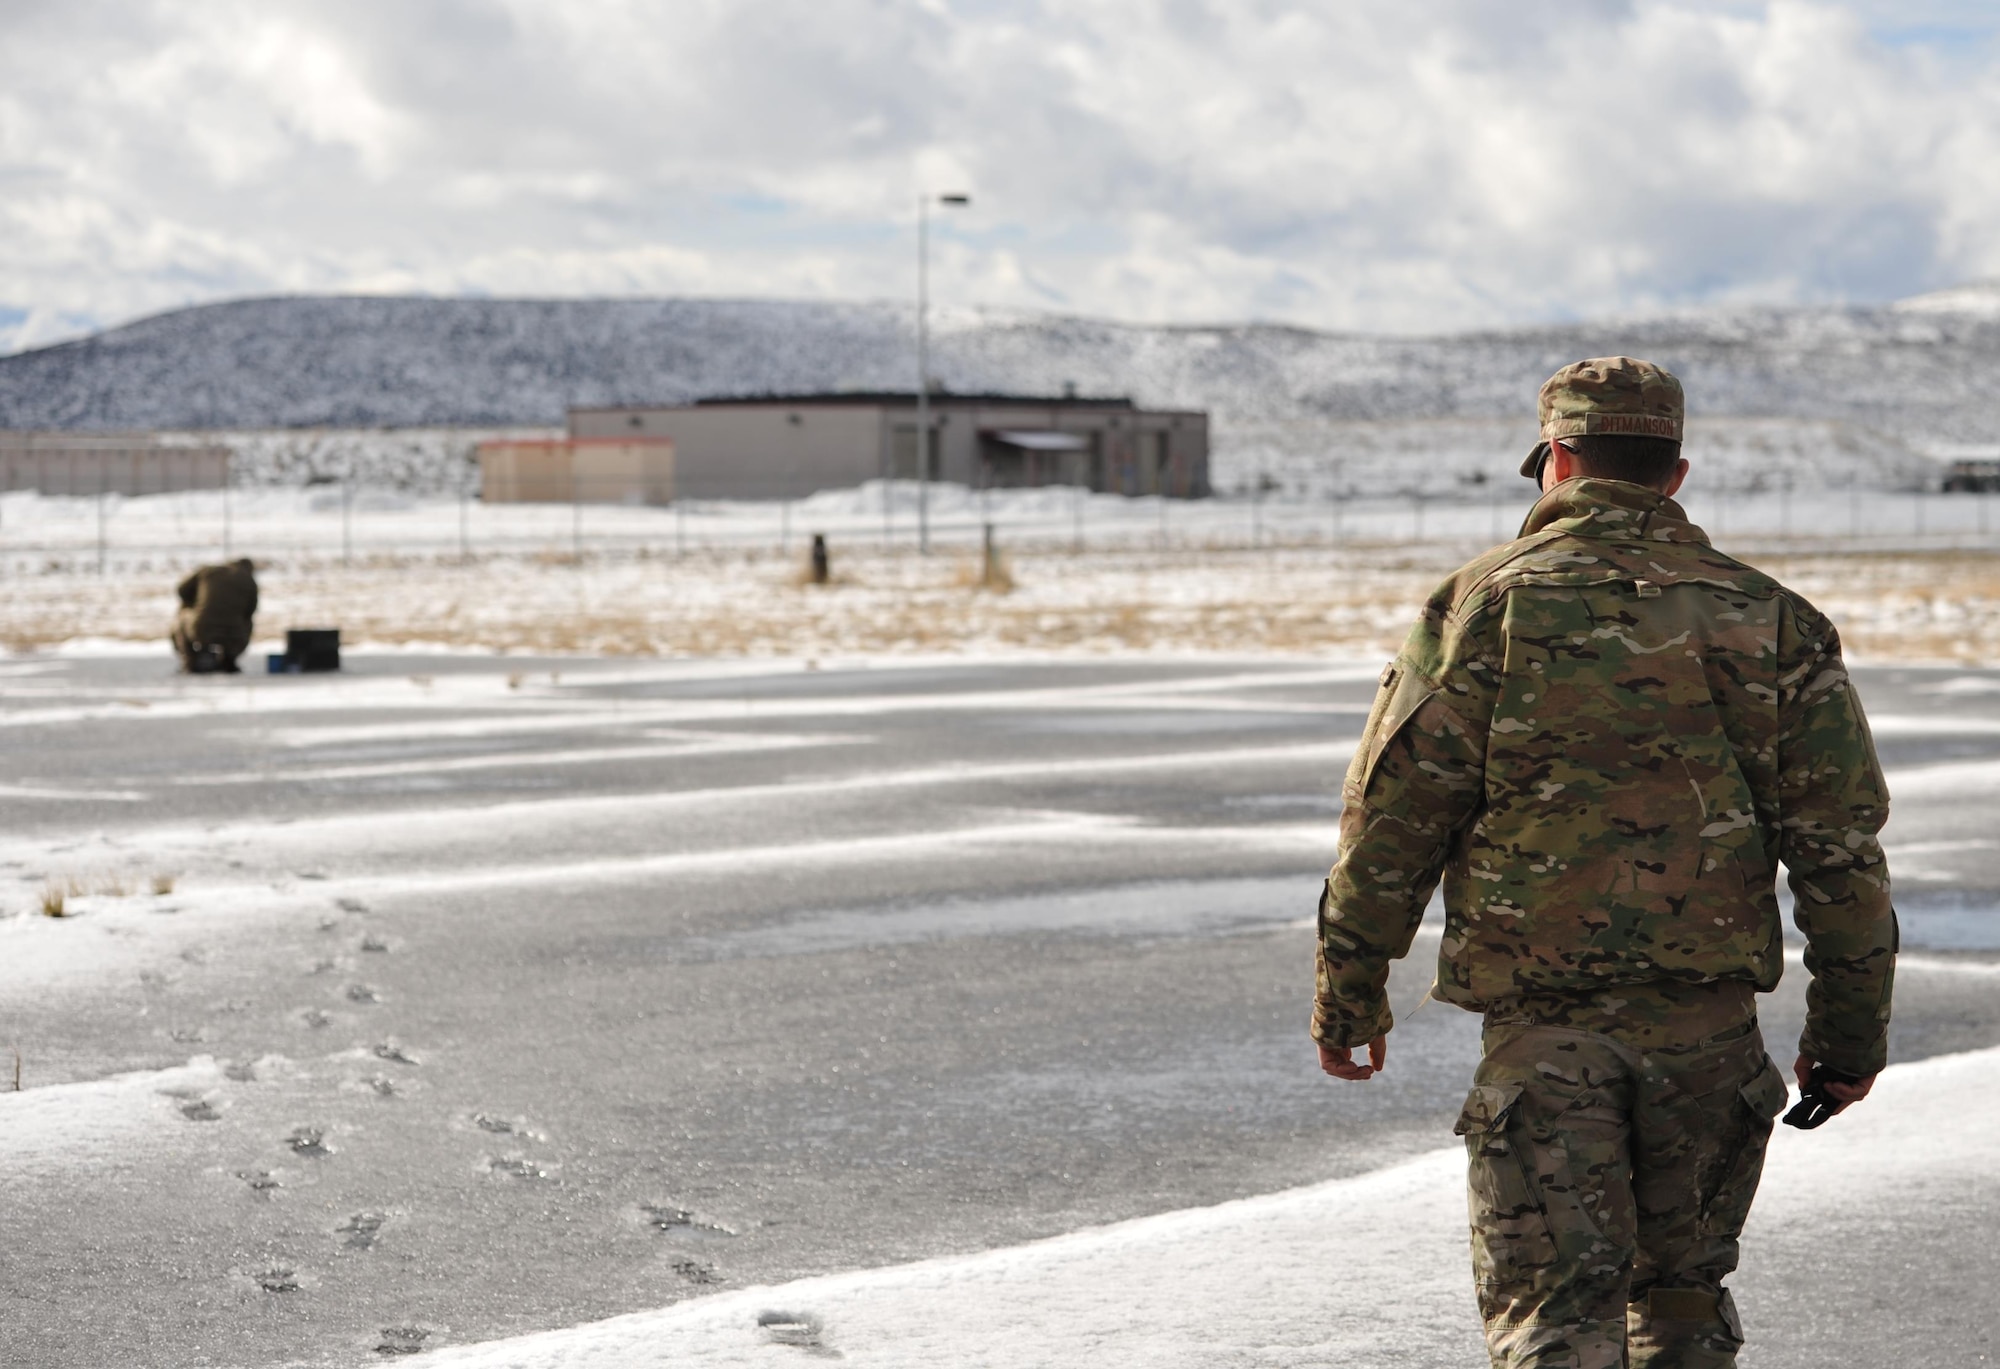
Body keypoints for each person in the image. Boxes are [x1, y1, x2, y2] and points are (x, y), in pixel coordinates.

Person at [1312, 357, 1895, 1368]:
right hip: (1708, 1037)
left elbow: (1393, 816)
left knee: (1552, 1318)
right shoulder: (1770, 620)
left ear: (1558, 462)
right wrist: (1847, 1038)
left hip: (1545, 1038)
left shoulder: (1479, 607)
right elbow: (1836, 847)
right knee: (1679, 1307)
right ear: (1672, 474)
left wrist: (1347, 993)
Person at [171, 557, 259, 673]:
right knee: (247, 622)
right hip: (235, 635)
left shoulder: (209, 571)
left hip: (201, 630)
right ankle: (229, 659)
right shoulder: (249, 580)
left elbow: (182, 590)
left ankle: (191, 661)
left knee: (183, 616)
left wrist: (195, 602)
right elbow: (250, 611)